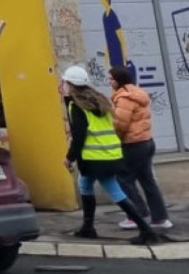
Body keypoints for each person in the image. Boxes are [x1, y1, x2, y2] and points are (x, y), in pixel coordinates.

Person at [61, 66, 159, 245]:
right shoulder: (100, 100)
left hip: (94, 157)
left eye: (64, 82)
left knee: (112, 189)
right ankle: (88, 227)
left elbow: (79, 135)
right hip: (111, 153)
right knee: (86, 183)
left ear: (70, 85)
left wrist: (69, 157)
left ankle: (146, 230)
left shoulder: (76, 105)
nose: (62, 86)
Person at [109, 66, 172, 230]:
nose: (109, 82)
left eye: (111, 79)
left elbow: (120, 124)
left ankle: (136, 215)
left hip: (133, 143)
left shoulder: (124, 98)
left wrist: (116, 137)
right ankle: (160, 218)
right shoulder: (137, 93)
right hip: (147, 141)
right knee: (147, 180)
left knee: (124, 179)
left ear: (119, 80)